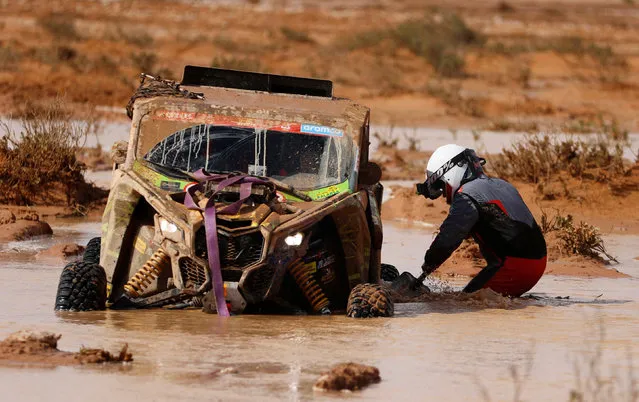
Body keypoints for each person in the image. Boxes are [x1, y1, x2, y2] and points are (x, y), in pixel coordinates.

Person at [414, 144, 547, 297]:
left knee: (465, 303)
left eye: (442, 186)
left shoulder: (467, 195)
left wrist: (428, 265)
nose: (444, 195)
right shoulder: (502, 184)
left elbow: (448, 238)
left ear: (450, 172)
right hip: (538, 264)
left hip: (514, 268)